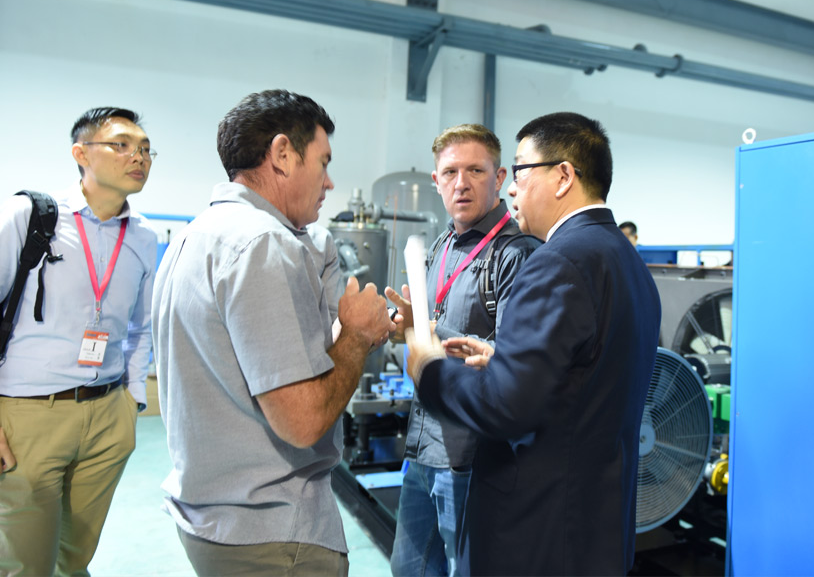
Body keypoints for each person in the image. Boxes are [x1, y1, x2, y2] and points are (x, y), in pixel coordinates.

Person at [404, 112, 661, 575]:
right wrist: (505, 359)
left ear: (563, 177)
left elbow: (504, 408)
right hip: (594, 527)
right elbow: (585, 377)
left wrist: (430, 368)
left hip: (538, 532)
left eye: (520, 172)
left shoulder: (557, 262)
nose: (512, 190)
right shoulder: (625, 261)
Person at [151, 89, 394, 576]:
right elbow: (302, 422)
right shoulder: (263, 244)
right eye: (323, 163)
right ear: (283, 154)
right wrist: (356, 335)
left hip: (214, 518)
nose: (329, 182)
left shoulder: (197, 235)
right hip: (273, 531)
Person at [0, 107, 158, 576]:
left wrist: (131, 400)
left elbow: (142, 327)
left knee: (74, 560)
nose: (139, 157)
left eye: (146, 149)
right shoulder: (29, 216)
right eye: (122, 145)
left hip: (108, 415)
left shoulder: (143, 236)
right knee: (26, 563)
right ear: (80, 154)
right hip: (29, 414)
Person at [385, 124, 539, 577]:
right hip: (422, 446)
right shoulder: (441, 245)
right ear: (436, 181)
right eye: (450, 172)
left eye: (476, 170)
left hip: (472, 458)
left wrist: (433, 334)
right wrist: (405, 325)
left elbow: (517, 362)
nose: (462, 183)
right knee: (408, 569)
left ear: (499, 177)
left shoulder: (515, 255)